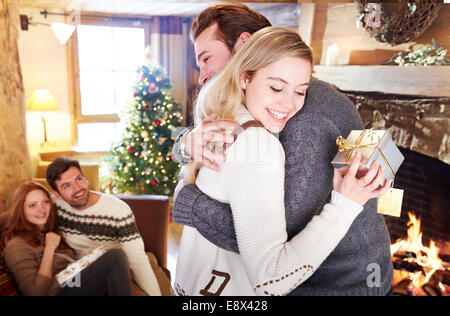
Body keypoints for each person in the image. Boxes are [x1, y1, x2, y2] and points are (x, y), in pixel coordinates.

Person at [172, 3, 394, 296]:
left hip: (340, 284)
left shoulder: (307, 118)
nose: (202, 74)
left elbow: (274, 242)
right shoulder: (253, 104)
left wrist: (187, 201)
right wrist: (184, 146)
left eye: (206, 58)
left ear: (245, 44)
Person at [45, 157, 164, 296]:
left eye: (79, 179)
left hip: (116, 268)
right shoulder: (52, 206)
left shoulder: (118, 211)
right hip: (79, 273)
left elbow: (137, 261)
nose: (77, 188)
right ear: (57, 195)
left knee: (152, 277)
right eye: (67, 185)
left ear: (85, 179)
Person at [1, 181, 132, 296]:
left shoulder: (48, 231)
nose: (41, 209)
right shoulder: (16, 245)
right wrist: (49, 249)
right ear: (20, 210)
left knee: (115, 259)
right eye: (32, 205)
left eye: (45, 202)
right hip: (59, 291)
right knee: (115, 257)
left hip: (74, 281)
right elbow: (35, 293)